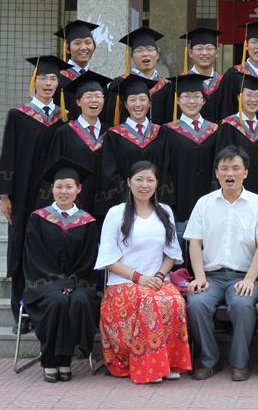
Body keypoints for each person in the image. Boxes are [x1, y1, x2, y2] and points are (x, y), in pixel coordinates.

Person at [0, 55, 72, 331]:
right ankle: (21, 312)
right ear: (34, 81)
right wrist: (4, 195)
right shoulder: (18, 115)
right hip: (23, 195)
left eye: (53, 79)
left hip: (54, 195)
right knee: (22, 248)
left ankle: (46, 309)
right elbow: (8, 155)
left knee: (50, 249)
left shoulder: (64, 119)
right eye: (44, 78)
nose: (48, 83)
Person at [184, 146, 258, 381]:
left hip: (244, 276)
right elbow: (194, 242)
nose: (230, 173)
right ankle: (209, 360)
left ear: (245, 173)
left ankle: (240, 362)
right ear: (216, 173)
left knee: (242, 305)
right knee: (196, 304)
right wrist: (199, 276)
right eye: (224, 168)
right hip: (211, 276)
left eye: (236, 168)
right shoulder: (204, 203)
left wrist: (249, 279)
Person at [95, 161, 191, 384]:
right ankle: (149, 366)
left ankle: (168, 363)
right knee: (149, 302)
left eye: (149, 180)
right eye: (139, 179)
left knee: (175, 301)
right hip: (123, 283)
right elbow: (108, 260)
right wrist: (139, 278)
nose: (144, 185)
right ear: (129, 183)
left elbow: (172, 254)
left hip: (157, 281)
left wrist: (158, 276)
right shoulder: (116, 213)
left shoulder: (164, 211)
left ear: (157, 183)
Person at [23, 158, 100, 383]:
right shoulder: (38, 218)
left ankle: (65, 359)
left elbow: (88, 259)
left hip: (79, 283)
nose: (63, 191)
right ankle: (50, 360)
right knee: (57, 301)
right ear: (52, 189)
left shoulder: (87, 221)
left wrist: (71, 283)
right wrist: (59, 284)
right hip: (43, 284)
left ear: (78, 189)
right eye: (59, 187)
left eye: (69, 187)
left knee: (78, 301)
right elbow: (35, 257)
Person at [99, 74, 169, 213]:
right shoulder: (114, 135)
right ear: (125, 104)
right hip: (124, 203)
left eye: (143, 99)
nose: (138, 104)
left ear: (149, 103)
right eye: (132, 100)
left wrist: (153, 193)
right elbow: (109, 172)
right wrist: (130, 195)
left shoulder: (161, 133)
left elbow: (166, 167)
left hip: (156, 202)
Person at [47, 72, 113, 217]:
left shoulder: (112, 133)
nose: (94, 100)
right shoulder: (64, 132)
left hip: (106, 202)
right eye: (88, 96)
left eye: (98, 96)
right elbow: (54, 169)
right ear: (78, 102)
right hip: (74, 204)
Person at [163, 73, 219, 223]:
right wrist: (169, 201)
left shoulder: (215, 130)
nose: (192, 101)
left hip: (210, 200)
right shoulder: (167, 131)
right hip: (180, 203)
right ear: (177, 100)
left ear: (204, 101)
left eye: (196, 97)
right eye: (186, 97)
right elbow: (164, 170)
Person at [215, 73, 258, 198]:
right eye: (248, 95)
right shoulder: (228, 126)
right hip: (233, 191)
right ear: (239, 97)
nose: (253, 100)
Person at [104, 27, 170, 125]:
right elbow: (110, 118)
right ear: (132, 57)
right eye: (139, 50)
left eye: (150, 49)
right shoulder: (119, 84)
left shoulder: (167, 86)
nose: (145, 54)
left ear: (157, 55)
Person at [54, 19, 99, 121]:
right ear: (67, 48)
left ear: (94, 47)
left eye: (88, 42)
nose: (83, 48)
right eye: (77, 43)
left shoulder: (97, 80)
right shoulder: (57, 78)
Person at [179, 27, 226, 122]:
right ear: (190, 53)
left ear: (217, 53)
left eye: (209, 48)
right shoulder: (180, 81)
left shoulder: (224, 82)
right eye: (199, 48)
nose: (204, 53)